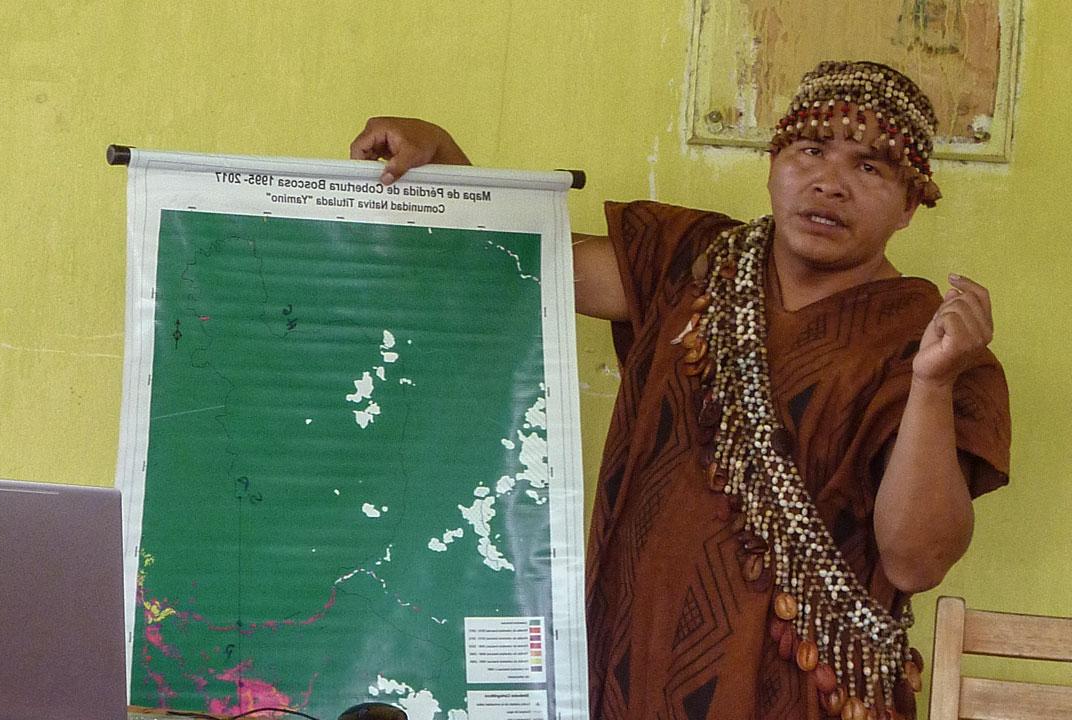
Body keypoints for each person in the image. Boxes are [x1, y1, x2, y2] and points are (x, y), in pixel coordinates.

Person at [349, 60, 1010, 720]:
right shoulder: (695, 261)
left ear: (910, 204)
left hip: (801, 697)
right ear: (775, 162)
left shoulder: (932, 346)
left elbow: (916, 561)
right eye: (810, 149)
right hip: (626, 668)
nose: (829, 183)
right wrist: (445, 159)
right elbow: (525, 264)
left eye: (870, 167)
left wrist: (931, 383)